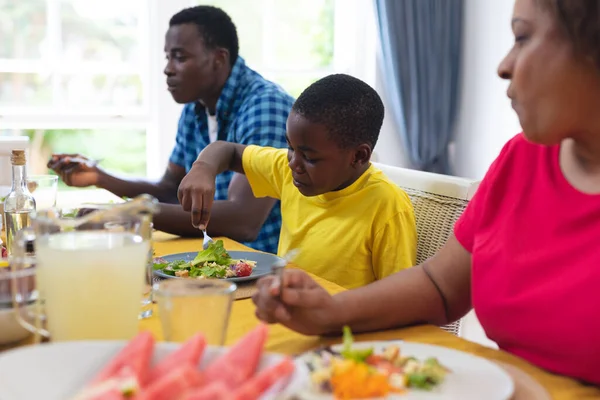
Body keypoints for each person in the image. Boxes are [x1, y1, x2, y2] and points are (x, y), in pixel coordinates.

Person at [250, 0, 600, 386]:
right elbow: (440, 286)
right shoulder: (522, 158)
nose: (504, 65)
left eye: (523, 37)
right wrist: (331, 311)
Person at [47, 6, 294, 254]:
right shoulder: (195, 106)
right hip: (214, 259)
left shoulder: (265, 106)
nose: (168, 68)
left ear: (219, 59)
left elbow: (243, 220)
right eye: (168, 57)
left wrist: (130, 213)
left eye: (180, 57)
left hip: (263, 270)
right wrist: (100, 177)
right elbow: (169, 189)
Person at [178, 74, 417, 289]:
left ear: (358, 156)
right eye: (290, 148)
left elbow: (399, 298)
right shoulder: (288, 169)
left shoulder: (387, 206)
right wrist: (203, 168)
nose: (294, 163)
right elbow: (227, 151)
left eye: (310, 157)